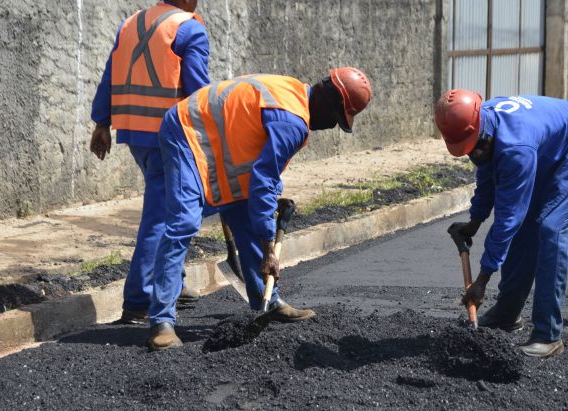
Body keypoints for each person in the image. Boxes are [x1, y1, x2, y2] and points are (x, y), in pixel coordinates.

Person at [148, 69, 372, 350]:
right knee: (183, 222)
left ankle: (267, 300)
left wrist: (267, 202)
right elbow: (264, 181)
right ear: (331, 104)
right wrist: (269, 250)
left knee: (244, 213)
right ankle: (161, 321)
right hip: (186, 131)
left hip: (217, 140)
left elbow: (262, 176)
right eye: (337, 119)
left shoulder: (294, 95)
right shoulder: (292, 120)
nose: (331, 126)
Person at [439, 91, 568, 359]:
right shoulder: (484, 126)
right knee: (526, 227)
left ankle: (548, 335)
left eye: (475, 145)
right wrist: (474, 222)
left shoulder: (515, 147)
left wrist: (482, 280)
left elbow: (508, 218)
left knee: (550, 229)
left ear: (478, 126)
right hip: (545, 148)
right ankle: (507, 314)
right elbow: (487, 173)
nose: (474, 152)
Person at [89, 0, 210, 325]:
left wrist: (102, 123)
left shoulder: (131, 23)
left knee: (172, 206)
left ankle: (172, 282)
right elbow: (198, 91)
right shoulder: (189, 28)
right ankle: (140, 299)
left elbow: (109, 75)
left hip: (133, 130)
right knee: (161, 217)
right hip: (168, 135)